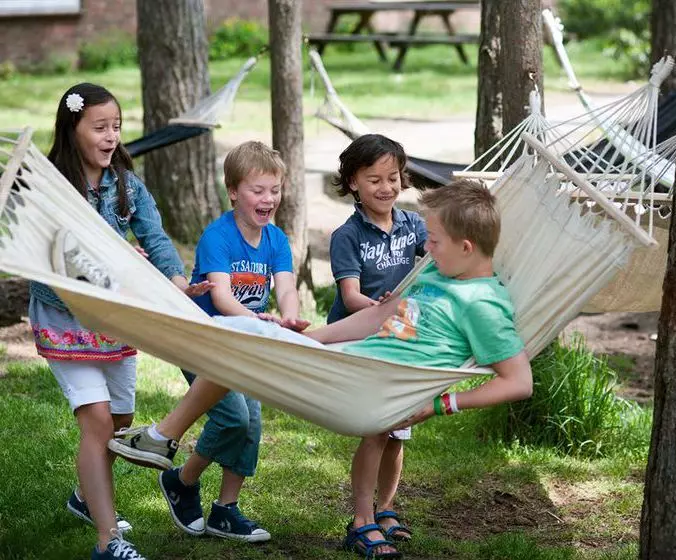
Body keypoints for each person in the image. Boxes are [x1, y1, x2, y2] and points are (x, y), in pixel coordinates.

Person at [108, 180, 532, 559]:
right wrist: (310, 342)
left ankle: (162, 436)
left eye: (434, 241)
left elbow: (517, 381)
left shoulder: (483, 305)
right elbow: (379, 318)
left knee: (242, 341)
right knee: (240, 342)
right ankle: (165, 437)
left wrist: (440, 405)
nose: (427, 249)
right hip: (354, 368)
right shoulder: (438, 275)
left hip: (375, 388)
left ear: (466, 248)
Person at [33, 83, 212, 560]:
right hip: (65, 318)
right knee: (96, 423)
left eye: (116, 126)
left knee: (119, 421)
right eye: (100, 127)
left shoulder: (127, 185)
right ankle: (108, 541)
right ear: (72, 129)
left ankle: (85, 496)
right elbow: (50, 256)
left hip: (114, 320)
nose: (111, 136)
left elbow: (155, 239)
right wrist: (111, 273)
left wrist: (176, 283)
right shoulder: (51, 189)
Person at [150, 141, 306, 543]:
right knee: (233, 418)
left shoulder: (276, 240)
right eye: (258, 190)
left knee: (250, 426)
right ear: (233, 192)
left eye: (275, 190)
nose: (268, 199)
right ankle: (182, 480)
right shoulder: (217, 236)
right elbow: (220, 297)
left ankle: (225, 511)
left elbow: (286, 288)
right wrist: (260, 324)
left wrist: (288, 318)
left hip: (245, 343)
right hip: (203, 340)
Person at [327, 134, 427, 545]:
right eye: (374, 180)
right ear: (353, 182)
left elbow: (440, 262)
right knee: (376, 431)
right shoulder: (347, 236)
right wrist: (380, 307)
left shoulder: (413, 225)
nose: (386, 187)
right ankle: (361, 520)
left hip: (402, 338)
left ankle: (385, 509)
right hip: (361, 340)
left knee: (396, 432)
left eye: (393, 178)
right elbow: (351, 297)